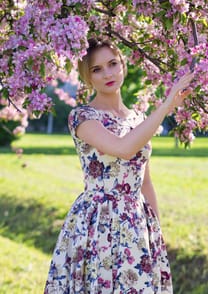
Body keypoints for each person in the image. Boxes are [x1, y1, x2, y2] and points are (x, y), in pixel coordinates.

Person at [44, 38, 194, 293]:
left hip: (136, 221)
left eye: (113, 64)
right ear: (87, 78)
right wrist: (167, 104)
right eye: (97, 69)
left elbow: (144, 180)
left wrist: (156, 231)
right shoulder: (82, 117)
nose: (108, 74)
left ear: (123, 65)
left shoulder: (138, 118)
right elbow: (124, 149)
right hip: (97, 221)